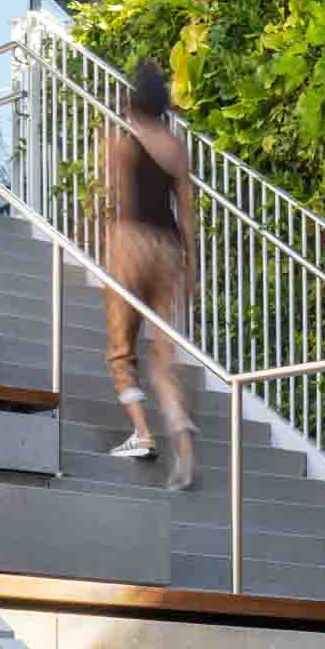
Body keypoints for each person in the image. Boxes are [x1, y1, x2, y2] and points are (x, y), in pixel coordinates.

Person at [101, 58, 196, 491]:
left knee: (122, 350)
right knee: (163, 357)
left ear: (132, 103)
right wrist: (191, 266)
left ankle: (142, 433)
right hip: (169, 249)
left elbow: (111, 199)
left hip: (130, 241)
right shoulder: (178, 150)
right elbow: (188, 214)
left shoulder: (119, 141)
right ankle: (184, 444)